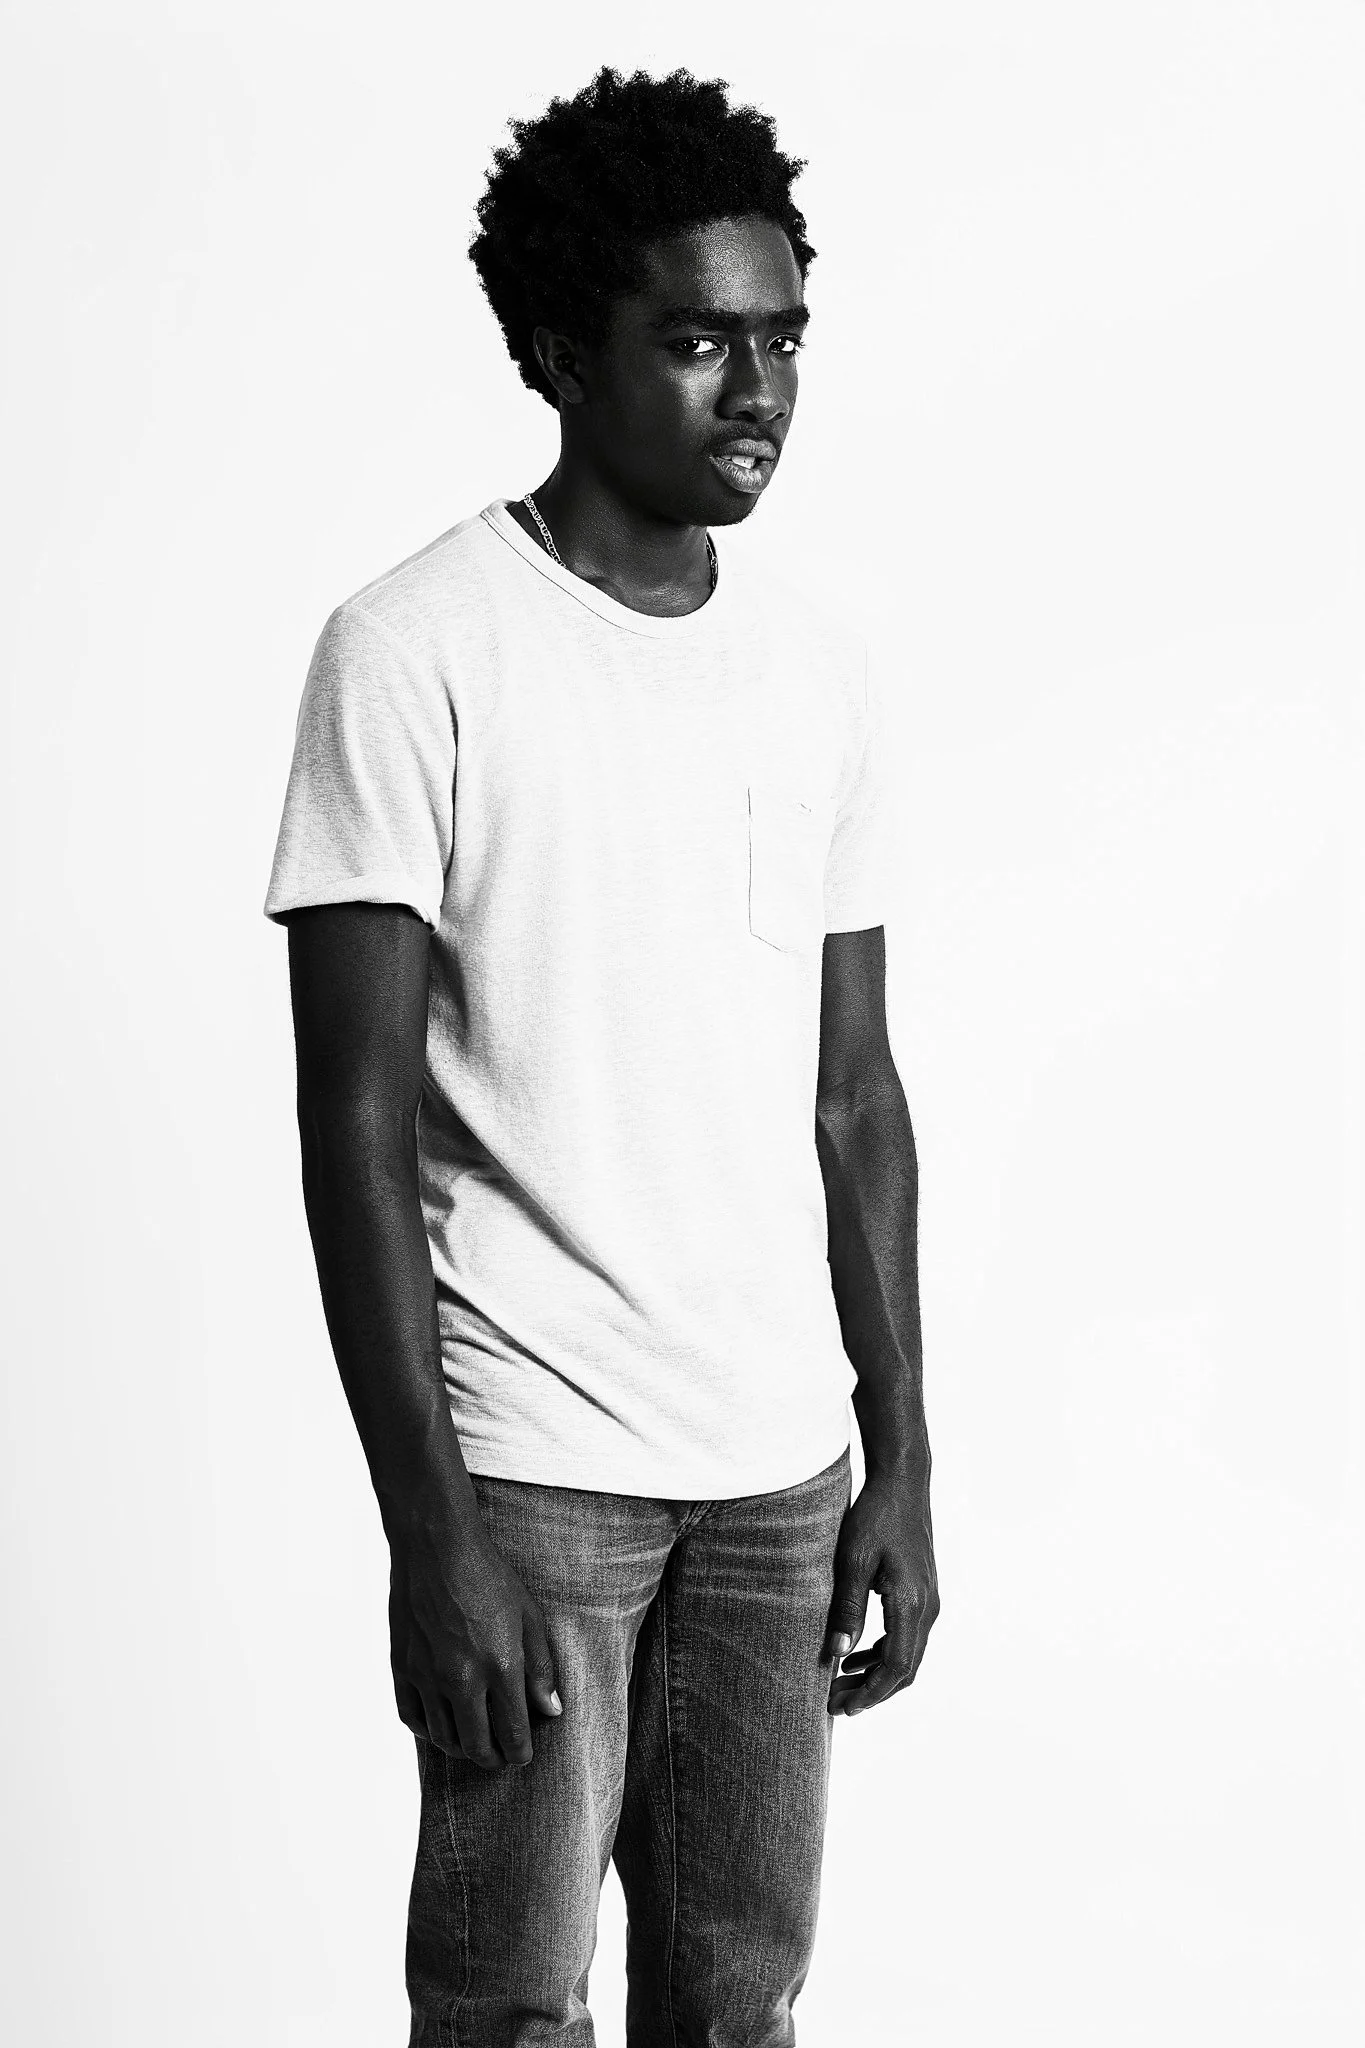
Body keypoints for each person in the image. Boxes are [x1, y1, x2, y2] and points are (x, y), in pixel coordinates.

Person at [263, 63, 938, 2048]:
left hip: (777, 1477)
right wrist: (431, 1533)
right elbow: (352, 1121)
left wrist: (896, 1451)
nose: (759, 390)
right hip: (535, 1467)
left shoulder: (818, 668)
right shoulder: (412, 650)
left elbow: (857, 1096)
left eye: (783, 337)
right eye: (700, 340)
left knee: (737, 1997)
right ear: (563, 352)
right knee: (504, 2003)